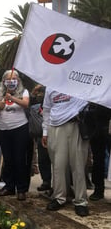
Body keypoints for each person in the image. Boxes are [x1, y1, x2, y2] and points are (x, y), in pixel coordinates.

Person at [42, 87, 90, 217]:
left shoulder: (77, 80)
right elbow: (46, 110)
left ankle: (81, 201)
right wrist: (45, 131)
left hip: (76, 124)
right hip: (55, 126)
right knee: (58, 165)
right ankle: (59, 197)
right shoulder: (50, 86)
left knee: (78, 165)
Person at [0, 70, 30, 201]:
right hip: (3, 129)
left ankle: (21, 189)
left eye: (14, 78)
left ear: (18, 80)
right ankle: (9, 186)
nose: (11, 81)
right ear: (4, 81)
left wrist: (12, 98)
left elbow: (25, 104)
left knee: (19, 159)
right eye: (8, 79)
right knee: (8, 159)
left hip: (20, 128)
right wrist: (1, 105)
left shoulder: (23, 91)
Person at [87, 103, 111, 201]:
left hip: (105, 124)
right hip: (97, 128)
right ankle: (98, 189)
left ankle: (98, 189)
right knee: (98, 160)